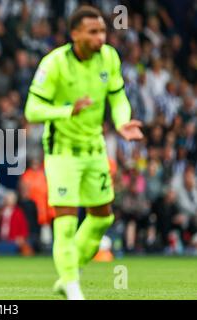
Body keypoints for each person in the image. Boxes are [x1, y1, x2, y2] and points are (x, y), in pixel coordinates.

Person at [24, 6, 144, 300]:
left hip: (95, 149)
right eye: (93, 32)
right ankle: (73, 286)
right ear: (74, 34)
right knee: (65, 219)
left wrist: (122, 121)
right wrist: (68, 110)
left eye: (102, 31)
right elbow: (32, 109)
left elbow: (117, 97)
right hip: (62, 152)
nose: (100, 37)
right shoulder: (54, 64)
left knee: (103, 217)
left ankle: (68, 271)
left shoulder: (109, 58)